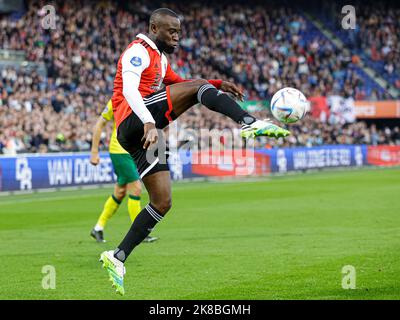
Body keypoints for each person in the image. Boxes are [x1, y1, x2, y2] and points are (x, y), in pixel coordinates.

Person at [99, 7, 290, 295]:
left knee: (162, 201)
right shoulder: (137, 51)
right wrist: (150, 123)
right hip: (134, 121)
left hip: (141, 136)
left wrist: (215, 84)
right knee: (197, 89)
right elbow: (129, 90)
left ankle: (118, 256)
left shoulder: (160, 60)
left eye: (179, 32)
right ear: (154, 29)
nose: (177, 37)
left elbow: (179, 84)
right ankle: (248, 122)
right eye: (171, 32)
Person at [90, 99, 158, 243]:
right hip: (120, 151)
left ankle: (98, 228)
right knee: (136, 188)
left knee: (120, 192)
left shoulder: (142, 97)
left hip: (132, 151)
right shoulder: (116, 99)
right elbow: (100, 123)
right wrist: (94, 151)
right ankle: (140, 232)